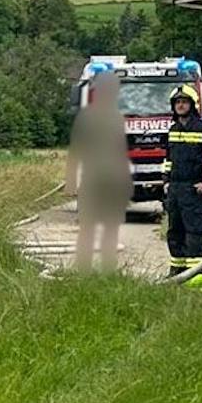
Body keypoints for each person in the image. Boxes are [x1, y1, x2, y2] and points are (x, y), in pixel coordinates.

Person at [65, 69, 132, 272]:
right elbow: (75, 149)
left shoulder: (117, 118)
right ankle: (84, 270)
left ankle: (108, 270)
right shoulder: (87, 118)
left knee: (111, 227)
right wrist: (70, 181)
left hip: (114, 180)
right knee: (88, 227)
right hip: (92, 179)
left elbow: (121, 152)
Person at [162, 83, 202, 276]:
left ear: (192, 105)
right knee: (175, 231)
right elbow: (168, 159)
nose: (180, 105)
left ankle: (196, 271)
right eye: (177, 102)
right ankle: (177, 269)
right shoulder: (173, 129)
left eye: (184, 102)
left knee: (195, 230)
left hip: (194, 188)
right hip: (175, 189)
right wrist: (166, 181)